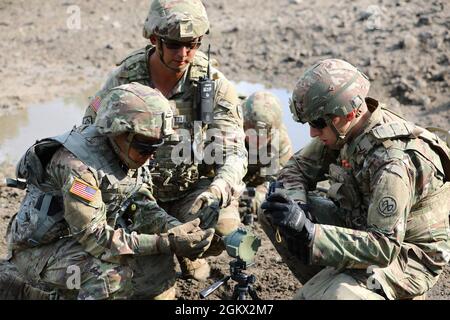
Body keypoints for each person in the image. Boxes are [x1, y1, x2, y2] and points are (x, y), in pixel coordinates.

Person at [82, 0, 247, 281]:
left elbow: (234, 152)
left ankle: (186, 252)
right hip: (134, 197)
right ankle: (159, 252)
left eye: (191, 44)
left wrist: (217, 190)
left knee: (222, 227)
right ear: (154, 39)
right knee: (145, 280)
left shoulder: (213, 84)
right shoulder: (125, 79)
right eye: (173, 44)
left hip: (189, 192)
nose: (183, 54)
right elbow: (90, 135)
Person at [261, 59, 450, 300]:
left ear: (348, 113)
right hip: (362, 225)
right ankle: (330, 283)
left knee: (337, 294)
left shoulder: (393, 163)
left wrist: (311, 235)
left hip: (407, 255)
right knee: (276, 212)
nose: (312, 133)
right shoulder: (345, 130)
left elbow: (384, 247)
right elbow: (297, 168)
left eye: (318, 123)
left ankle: (354, 290)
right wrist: (298, 210)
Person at [5, 83, 214, 300]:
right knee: (109, 278)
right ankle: (24, 289)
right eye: (145, 147)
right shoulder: (77, 166)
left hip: (78, 241)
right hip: (38, 252)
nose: (151, 155)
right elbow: (95, 239)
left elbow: (142, 207)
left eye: (157, 147)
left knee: (155, 264)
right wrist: (166, 242)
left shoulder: (129, 152)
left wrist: (175, 230)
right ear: (118, 132)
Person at [239, 92, 293, 224]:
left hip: (254, 183)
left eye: (264, 135)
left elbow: (276, 183)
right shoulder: (229, 124)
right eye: (251, 133)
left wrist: (254, 198)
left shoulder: (281, 142)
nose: (256, 141)